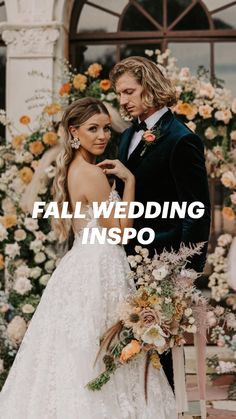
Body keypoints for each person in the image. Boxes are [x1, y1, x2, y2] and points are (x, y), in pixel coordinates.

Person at [0, 97, 176, 419]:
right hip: (99, 265)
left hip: (84, 263)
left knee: (82, 348)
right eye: (92, 128)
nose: (102, 136)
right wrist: (130, 181)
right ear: (74, 132)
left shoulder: (73, 168)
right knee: (100, 348)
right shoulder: (93, 175)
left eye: (106, 128)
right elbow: (121, 232)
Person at [110, 56, 211, 390]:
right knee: (131, 349)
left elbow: (196, 210)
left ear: (149, 87)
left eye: (128, 91)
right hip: (126, 257)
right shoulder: (127, 137)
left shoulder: (182, 139)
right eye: (119, 93)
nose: (122, 101)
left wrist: (186, 272)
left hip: (163, 264)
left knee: (160, 351)